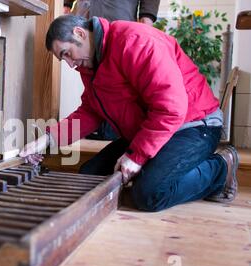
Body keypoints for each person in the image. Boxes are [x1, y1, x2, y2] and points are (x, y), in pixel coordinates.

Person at [19, 15, 239, 212]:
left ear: (80, 33)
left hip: (193, 125)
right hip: (150, 129)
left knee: (149, 194)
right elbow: (90, 112)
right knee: (89, 177)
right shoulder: (91, 66)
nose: (69, 64)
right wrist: (47, 140)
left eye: (66, 54)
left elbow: (171, 108)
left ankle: (221, 169)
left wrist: (137, 156)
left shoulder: (136, 41)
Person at [72, 0, 161, 141]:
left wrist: (147, 18)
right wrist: (66, 5)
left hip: (119, 15)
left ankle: (117, 133)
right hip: (86, 17)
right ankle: (100, 128)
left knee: (121, 83)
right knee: (93, 83)